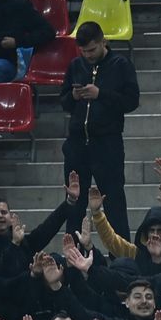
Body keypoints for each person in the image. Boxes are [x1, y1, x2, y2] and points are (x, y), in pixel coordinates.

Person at [61, 22, 140, 241]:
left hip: (107, 143)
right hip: (77, 143)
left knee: (114, 203)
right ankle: (73, 252)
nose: (88, 55)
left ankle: (121, 256)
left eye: (92, 50)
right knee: (75, 202)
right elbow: (64, 101)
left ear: (103, 41)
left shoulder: (121, 65)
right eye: (83, 51)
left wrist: (101, 94)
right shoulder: (76, 65)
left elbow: (131, 101)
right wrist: (73, 97)